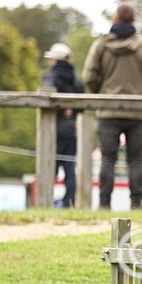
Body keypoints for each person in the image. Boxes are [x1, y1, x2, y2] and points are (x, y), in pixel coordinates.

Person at [84, 2, 142, 210]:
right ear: (134, 20)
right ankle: (136, 203)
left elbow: (89, 76)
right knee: (136, 160)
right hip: (137, 112)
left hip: (108, 110)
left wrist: (102, 93)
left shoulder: (101, 45)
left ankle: (104, 204)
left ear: (115, 18)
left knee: (108, 158)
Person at [41, 42, 85, 207]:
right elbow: (81, 105)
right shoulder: (77, 81)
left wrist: (59, 111)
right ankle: (69, 201)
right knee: (69, 167)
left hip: (54, 128)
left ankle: (45, 200)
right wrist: (71, 112)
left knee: (50, 165)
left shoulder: (50, 77)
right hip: (73, 128)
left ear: (54, 59)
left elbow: (47, 96)